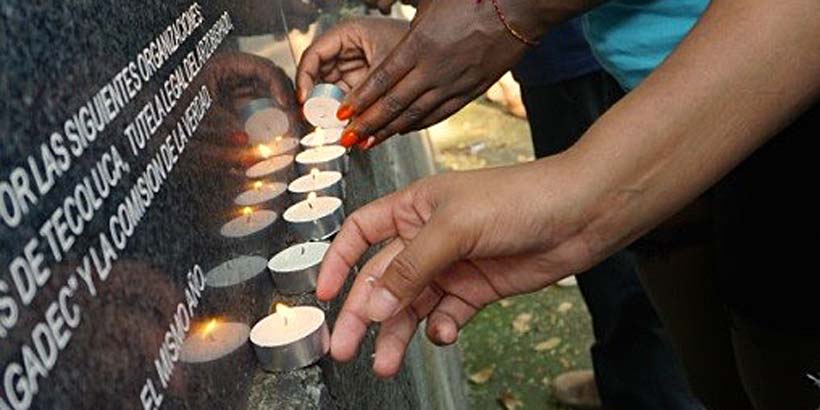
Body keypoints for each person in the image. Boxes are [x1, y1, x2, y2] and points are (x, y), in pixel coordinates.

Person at [296, 1, 820, 408]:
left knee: (776, 364)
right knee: (715, 371)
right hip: (648, 86)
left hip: (777, 91)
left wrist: (578, 197)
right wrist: (431, 45)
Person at [513, 18, 699, 409]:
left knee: (622, 260)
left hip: (591, 54)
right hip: (587, 48)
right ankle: (630, 373)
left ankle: (649, 388)